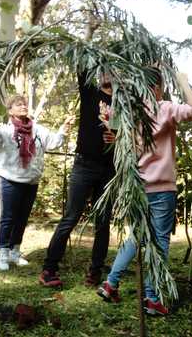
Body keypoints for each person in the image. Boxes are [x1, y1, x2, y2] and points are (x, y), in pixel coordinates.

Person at [96, 70, 192, 316]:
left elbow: (111, 124)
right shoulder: (165, 108)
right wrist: (184, 81)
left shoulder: (130, 112)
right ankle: (153, 298)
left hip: (137, 185)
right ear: (158, 88)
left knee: (136, 236)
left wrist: (108, 115)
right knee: (159, 240)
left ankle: (111, 284)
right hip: (162, 187)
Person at [39, 70, 114, 288]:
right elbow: (82, 62)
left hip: (109, 167)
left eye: (113, 69)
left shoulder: (123, 102)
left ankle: (95, 272)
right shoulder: (91, 92)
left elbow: (132, 133)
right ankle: (49, 269)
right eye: (105, 69)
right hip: (84, 165)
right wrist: (90, 33)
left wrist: (117, 138)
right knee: (71, 217)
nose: (108, 73)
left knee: (102, 222)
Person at [0, 95, 73, 271]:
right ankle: (2, 253)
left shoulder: (37, 130)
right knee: (8, 218)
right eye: (18, 105)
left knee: (22, 218)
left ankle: (15, 250)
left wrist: (63, 129)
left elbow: (53, 143)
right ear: (10, 110)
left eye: (24, 104)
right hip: (10, 179)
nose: (23, 107)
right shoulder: (4, 131)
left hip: (31, 180)